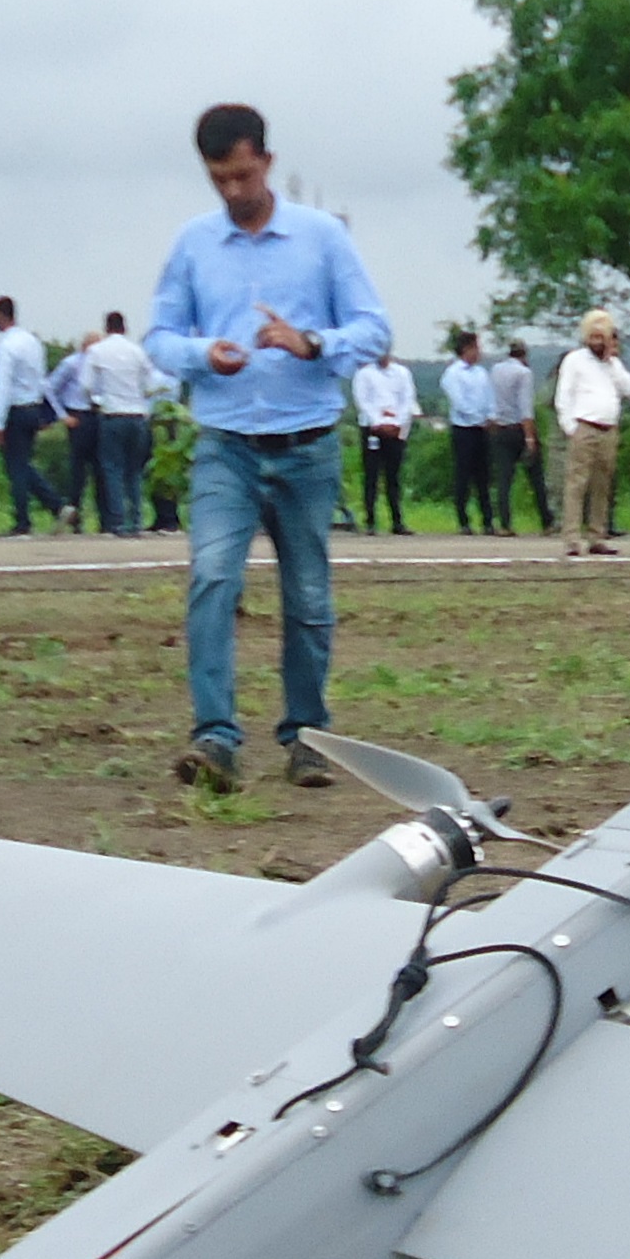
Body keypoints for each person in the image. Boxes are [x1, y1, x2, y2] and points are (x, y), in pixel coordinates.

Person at [141, 98, 390, 793]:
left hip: (307, 445)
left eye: (243, 176)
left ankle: (307, 736)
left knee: (307, 596)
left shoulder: (322, 239)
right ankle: (215, 737)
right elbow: (159, 338)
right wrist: (202, 354)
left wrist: (311, 342)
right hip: (227, 445)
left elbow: (373, 328)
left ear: (268, 162)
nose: (232, 190)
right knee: (212, 578)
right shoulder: (193, 244)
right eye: (219, 178)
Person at [554, 310, 630, 557]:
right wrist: (571, 428)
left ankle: (597, 536)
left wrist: (613, 363)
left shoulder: (613, 364)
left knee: (602, 485)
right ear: (587, 337)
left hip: (608, 430)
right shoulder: (575, 360)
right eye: (594, 336)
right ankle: (571, 538)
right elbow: (564, 395)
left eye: (602, 337)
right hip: (584, 427)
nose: (598, 341)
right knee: (577, 484)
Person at [83, 312, 159, 538]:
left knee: (112, 469)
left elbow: (85, 384)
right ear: (125, 328)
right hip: (138, 415)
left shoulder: (97, 351)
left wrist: (97, 400)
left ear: (106, 328)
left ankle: (117, 521)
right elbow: (152, 383)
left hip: (112, 415)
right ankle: (135, 521)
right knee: (134, 471)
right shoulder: (137, 351)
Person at [0, 296, 56, 535]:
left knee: (16, 468)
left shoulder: (6, 346)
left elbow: (1, 384)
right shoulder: (32, 342)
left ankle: (23, 520)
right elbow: (42, 379)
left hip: (16, 410)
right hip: (33, 407)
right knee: (23, 464)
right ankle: (57, 506)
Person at [352, 346, 416, 533]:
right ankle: (370, 520)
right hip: (372, 429)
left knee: (393, 476)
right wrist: (378, 422)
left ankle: (397, 521)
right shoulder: (364, 373)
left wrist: (396, 422)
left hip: (396, 430)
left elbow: (407, 400)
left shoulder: (402, 373)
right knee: (371, 475)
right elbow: (363, 401)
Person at [489, 336, 549, 532]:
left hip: (500, 429)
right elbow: (525, 408)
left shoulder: (496, 369)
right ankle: (546, 521)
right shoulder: (524, 373)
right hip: (519, 429)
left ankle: (505, 523)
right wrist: (530, 437)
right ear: (524, 354)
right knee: (536, 477)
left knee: (504, 479)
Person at [440, 330, 497, 535]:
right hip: (464, 429)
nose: (478, 352)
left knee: (483, 476)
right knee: (463, 474)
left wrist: (490, 416)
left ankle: (487, 520)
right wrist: (478, 418)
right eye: (475, 348)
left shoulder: (481, 373)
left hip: (482, 429)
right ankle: (463, 520)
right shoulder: (453, 373)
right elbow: (459, 403)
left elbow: (490, 397)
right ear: (466, 349)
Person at [54, 334, 101, 532]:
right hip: (78, 416)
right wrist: (62, 415)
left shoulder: (101, 365)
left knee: (100, 469)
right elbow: (49, 387)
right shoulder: (71, 363)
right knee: (78, 471)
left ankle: (105, 521)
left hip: (97, 414)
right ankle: (76, 520)